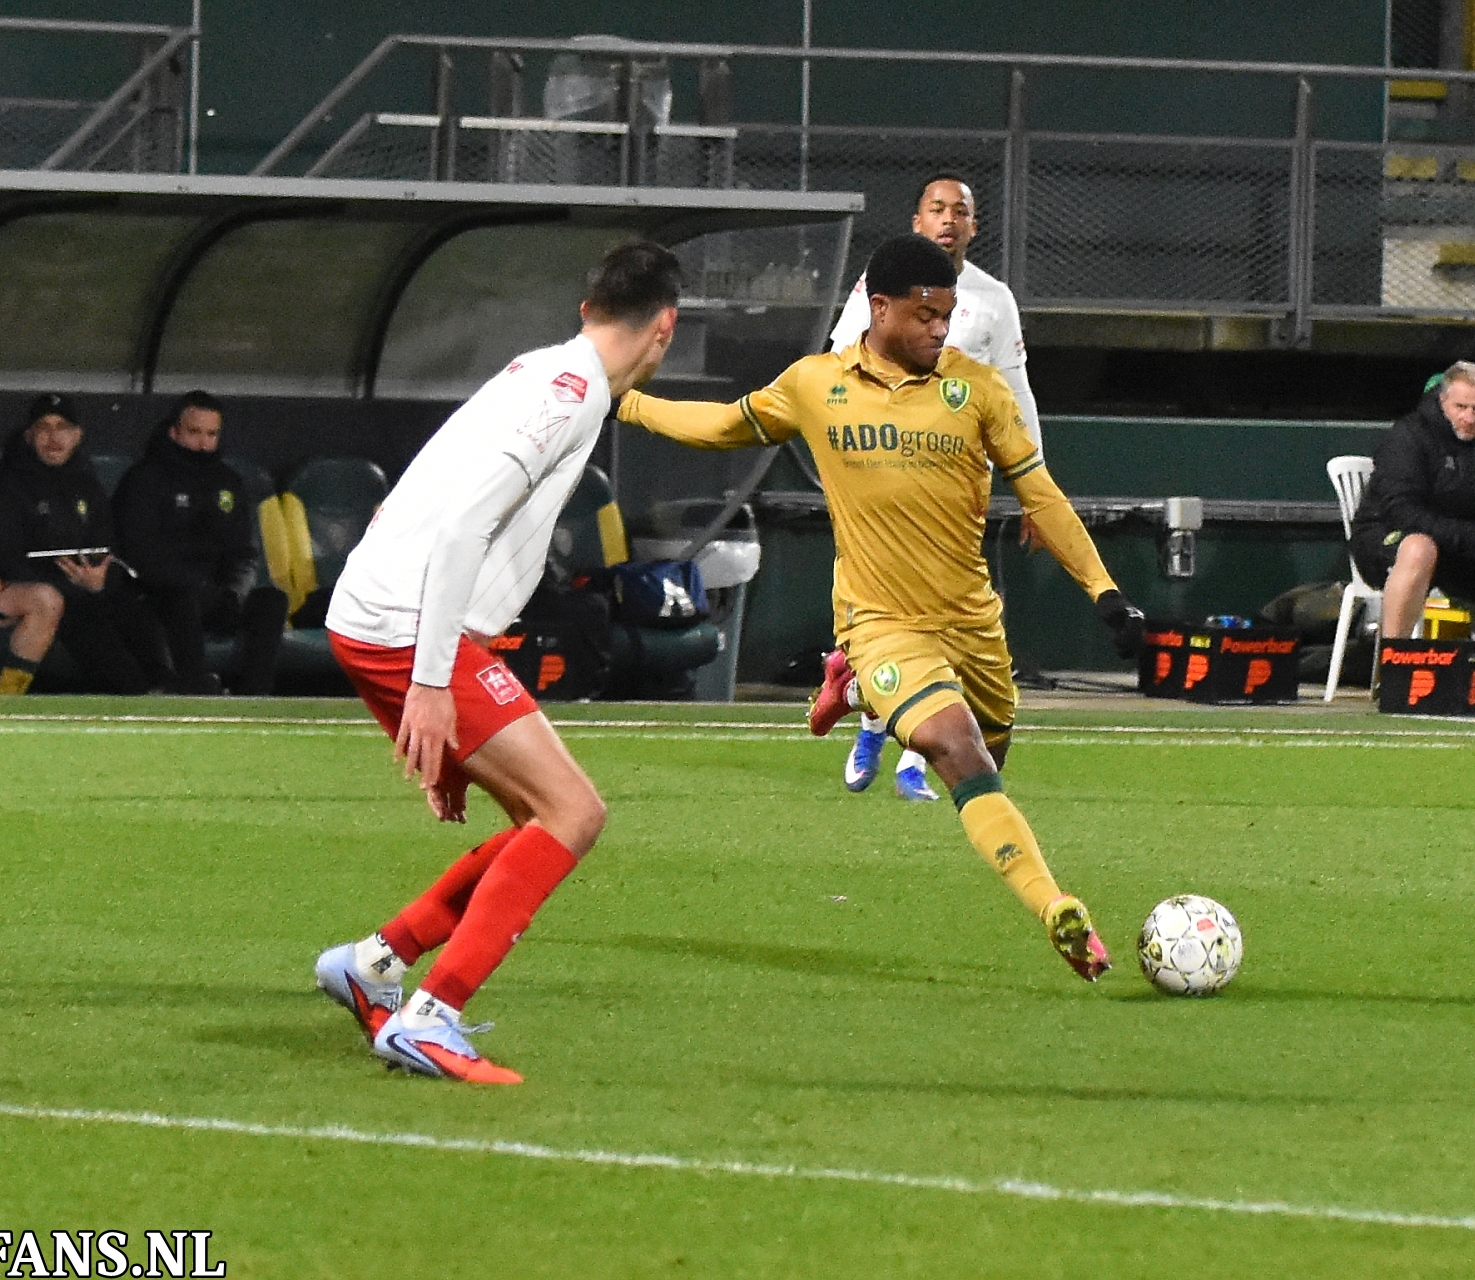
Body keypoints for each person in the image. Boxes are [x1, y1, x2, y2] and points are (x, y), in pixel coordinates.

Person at [617, 233, 1143, 983]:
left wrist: (1106, 592)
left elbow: (1041, 497)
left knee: (987, 764)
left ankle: (857, 687)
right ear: (880, 307)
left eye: (949, 316)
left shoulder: (978, 391)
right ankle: (1056, 906)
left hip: (972, 626)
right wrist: (630, 402)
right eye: (926, 315)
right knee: (953, 748)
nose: (939, 329)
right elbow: (721, 425)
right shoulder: (816, 385)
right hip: (882, 620)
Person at [312, 241, 681, 1084]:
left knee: (536, 825)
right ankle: (428, 1018)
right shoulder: (568, 395)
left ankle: (373, 964)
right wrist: (435, 685)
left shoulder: (545, 371)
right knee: (571, 815)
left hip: (392, 618)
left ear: (588, 308)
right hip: (407, 626)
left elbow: (421, 498)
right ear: (665, 328)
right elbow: (459, 530)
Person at [828, 173, 1043, 801]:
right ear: (918, 220)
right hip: (881, 480)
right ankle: (872, 718)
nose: (949, 220)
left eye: (961, 212)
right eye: (937, 209)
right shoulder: (880, 285)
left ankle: (904, 749)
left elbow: (1017, 392)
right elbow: (838, 362)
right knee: (893, 614)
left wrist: (1035, 487)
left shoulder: (994, 300)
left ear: (975, 226)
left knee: (940, 618)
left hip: (956, 492)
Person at [0, 394, 168, 696]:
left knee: (131, 608)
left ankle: (166, 685)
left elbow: (108, 549)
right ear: (30, 435)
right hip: (40, 590)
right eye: (44, 427)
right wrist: (74, 586)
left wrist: (102, 579)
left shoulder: (87, 485)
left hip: (85, 588)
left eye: (62, 427)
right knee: (81, 614)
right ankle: (134, 694)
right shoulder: (7, 485)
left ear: (77, 435)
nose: (54, 437)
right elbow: (4, 557)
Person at [1348, 362, 1475, 644]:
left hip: (1464, 545)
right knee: (1420, 547)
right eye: (1460, 407)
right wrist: (1467, 536)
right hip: (1387, 538)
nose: (1469, 417)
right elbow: (1402, 512)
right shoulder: (1408, 436)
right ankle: (1394, 660)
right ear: (1443, 402)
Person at [113, 391, 287, 695]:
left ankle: (254, 696)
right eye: (194, 433)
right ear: (174, 432)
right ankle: (194, 686)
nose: (204, 443)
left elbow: (243, 552)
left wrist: (233, 592)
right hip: (161, 595)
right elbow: (139, 552)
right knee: (181, 595)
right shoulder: (144, 479)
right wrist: (192, 585)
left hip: (217, 594)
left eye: (212, 434)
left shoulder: (228, 483)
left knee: (271, 600)